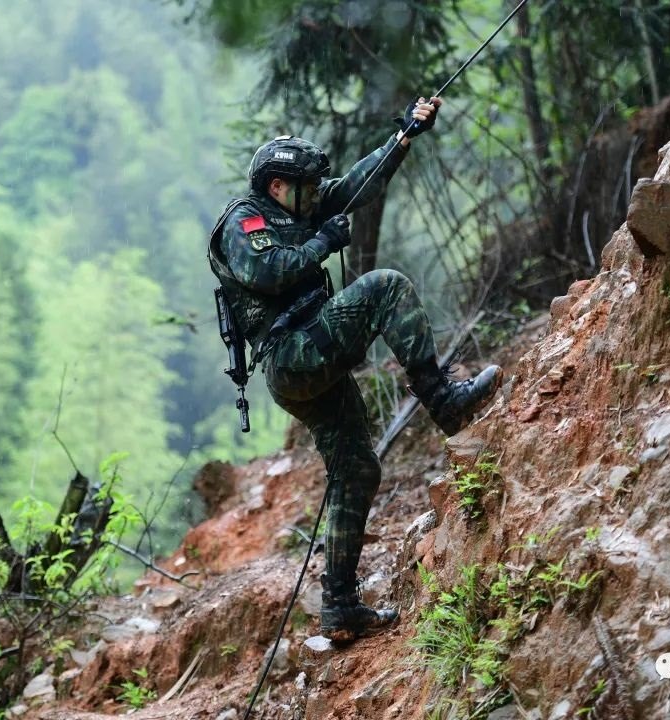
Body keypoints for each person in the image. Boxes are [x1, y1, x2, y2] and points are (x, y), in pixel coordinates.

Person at [207, 97, 502, 643]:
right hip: (292, 355)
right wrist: (324, 241)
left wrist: (404, 137)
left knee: (357, 470)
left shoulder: (298, 206)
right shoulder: (244, 221)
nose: (316, 194)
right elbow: (269, 272)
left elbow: (354, 187)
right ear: (277, 186)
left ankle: (339, 605)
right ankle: (443, 402)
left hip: (309, 353)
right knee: (386, 286)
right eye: (307, 187)